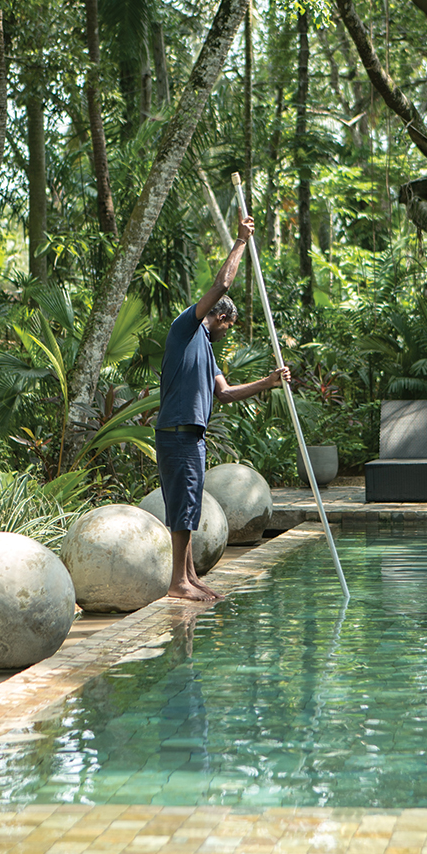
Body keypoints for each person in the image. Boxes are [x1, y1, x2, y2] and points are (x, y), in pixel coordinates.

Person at [155, 214, 290, 602]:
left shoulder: (208, 352)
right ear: (220, 316)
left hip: (192, 436)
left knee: (191, 505)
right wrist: (242, 241)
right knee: (182, 505)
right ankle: (177, 583)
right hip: (176, 432)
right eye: (227, 325)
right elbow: (222, 283)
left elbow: (226, 394)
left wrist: (267, 383)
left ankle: (190, 574)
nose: (225, 332)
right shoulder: (188, 327)